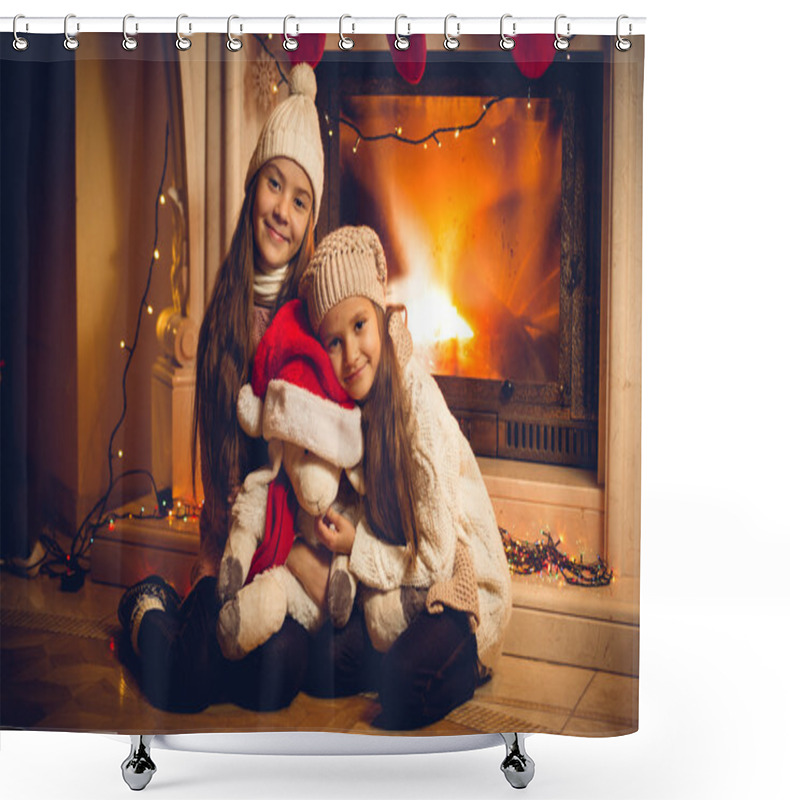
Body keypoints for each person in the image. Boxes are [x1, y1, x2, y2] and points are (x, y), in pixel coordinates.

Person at [116, 63, 325, 713]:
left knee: (280, 676)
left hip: (286, 563)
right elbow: (220, 468)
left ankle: (191, 632)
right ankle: (148, 609)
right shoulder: (226, 315)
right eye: (274, 185)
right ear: (252, 186)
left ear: (311, 217)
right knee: (187, 689)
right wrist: (218, 568)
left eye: (300, 199)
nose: (282, 211)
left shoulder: (312, 309)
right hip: (229, 549)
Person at [296, 226, 513, 729]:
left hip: (455, 587)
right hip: (397, 590)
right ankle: (394, 650)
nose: (350, 354)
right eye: (333, 340)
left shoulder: (416, 402)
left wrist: (356, 547)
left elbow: (438, 556)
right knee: (317, 666)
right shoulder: (351, 411)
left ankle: (455, 660)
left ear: (381, 316)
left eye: (358, 327)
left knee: (402, 688)